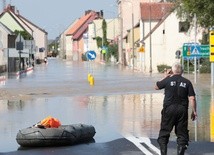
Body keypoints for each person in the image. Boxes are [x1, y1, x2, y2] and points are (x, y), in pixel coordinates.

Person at [155, 62, 197, 155]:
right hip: (182, 110)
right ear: (182, 71)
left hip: (168, 109)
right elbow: (192, 98)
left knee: (164, 132)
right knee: (182, 134)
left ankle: (163, 153)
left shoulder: (167, 80)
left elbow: (156, 86)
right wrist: (194, 111)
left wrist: (166, 76)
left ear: (172, 71)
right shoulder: (187, 82)